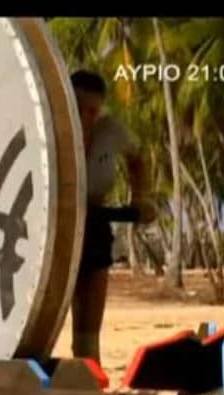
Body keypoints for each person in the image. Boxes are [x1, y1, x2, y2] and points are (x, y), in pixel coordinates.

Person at [69, 69, 157, 365]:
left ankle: (88, 363)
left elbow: (137, 159)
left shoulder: (110, 130)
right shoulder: (52, 127)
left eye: (92, 110)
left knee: (90, 315)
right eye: (78, 108)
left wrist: (141, 197)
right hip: (59, 225)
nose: (85, 117)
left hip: (95, 220)